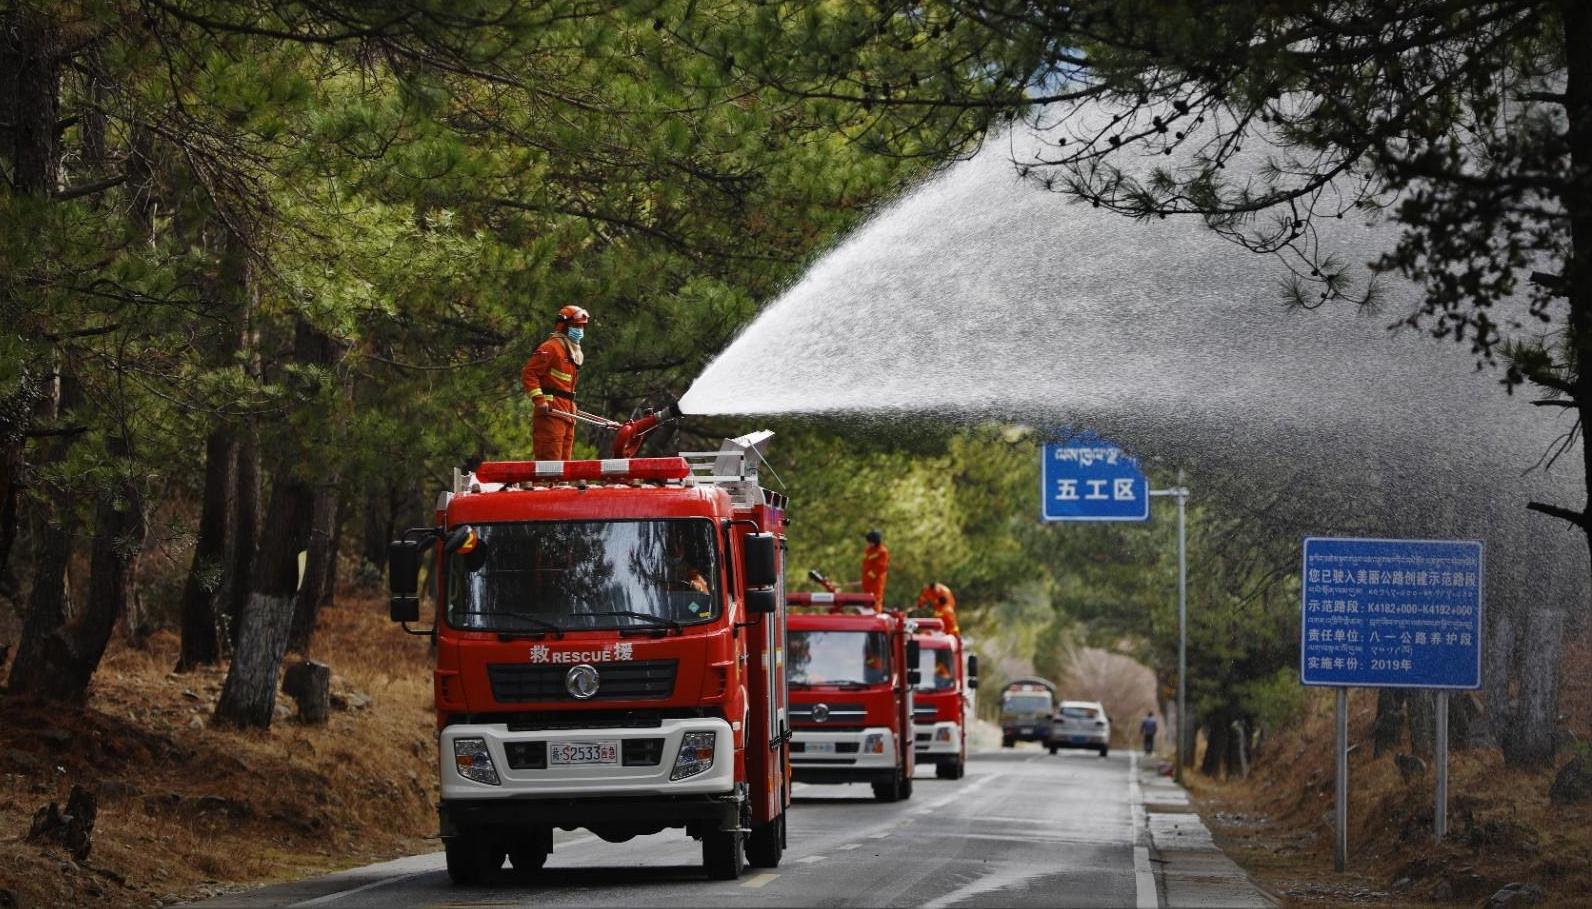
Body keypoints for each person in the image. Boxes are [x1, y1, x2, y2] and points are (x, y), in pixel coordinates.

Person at [521, 305, 588, 460]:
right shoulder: (551, 348)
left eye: (582, 327)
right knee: (551, 466)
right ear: (564, 326)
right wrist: (539, 401)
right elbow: (529, 374)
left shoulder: (570, 351)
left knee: (565, 468)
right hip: (551, 413)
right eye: (576, 326)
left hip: (567, 413)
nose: (580, 331)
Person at [860, 529, 890, 611]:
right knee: (866, 600)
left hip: (876, 582)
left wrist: (868, 577)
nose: (869, 544)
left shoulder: (882, 552)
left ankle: (876, 616)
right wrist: (865, 578)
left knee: (875, 599)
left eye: (870, 542)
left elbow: (880, 568)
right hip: (867, 581)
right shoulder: (868, 550)